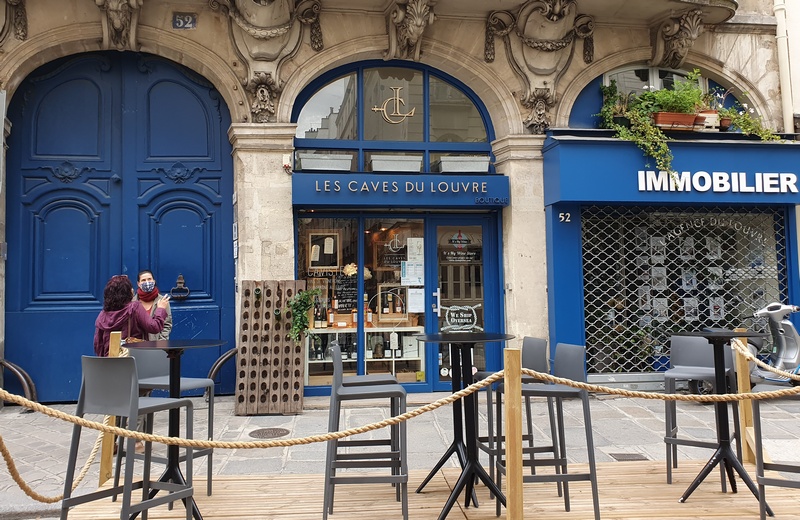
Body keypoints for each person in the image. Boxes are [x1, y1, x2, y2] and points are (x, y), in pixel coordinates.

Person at [93, 275, 170, 357]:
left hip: (110, 360)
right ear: (127, 292)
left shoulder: (102, 315)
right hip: (134, 358)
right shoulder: (134, 307)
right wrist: (161, 309)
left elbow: (98, 345)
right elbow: (154, 327)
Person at [133, 270, 172, 340]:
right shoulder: (132, 302)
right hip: (137, 344)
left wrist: (161, 342)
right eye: (143, 280)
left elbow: (167, 324)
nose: (147, 282)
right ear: (138, 284)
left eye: (149, 279)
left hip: (156, 344)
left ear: (154, 281)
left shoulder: (163, 301)